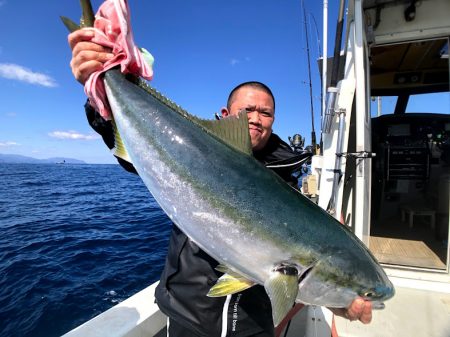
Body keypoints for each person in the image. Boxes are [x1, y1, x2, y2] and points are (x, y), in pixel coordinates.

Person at [68, 29, 373, 337]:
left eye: (265, 113)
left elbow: (297, 269)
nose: (256, 118)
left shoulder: (288, 184)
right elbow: (137, 151)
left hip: (254, 325)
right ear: (226, 114)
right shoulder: (192, 154)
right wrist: (100, 97)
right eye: (248, 110)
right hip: (190, 317)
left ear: (273, 121)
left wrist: (336, 298)